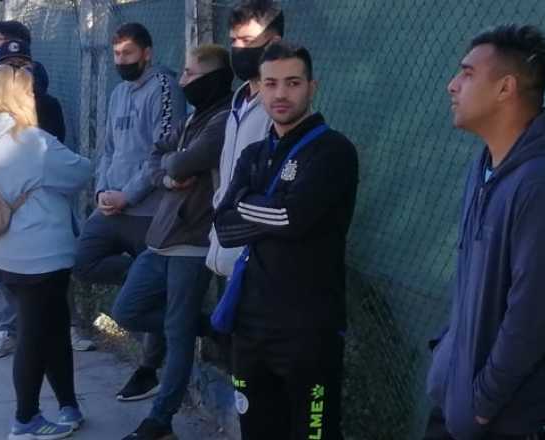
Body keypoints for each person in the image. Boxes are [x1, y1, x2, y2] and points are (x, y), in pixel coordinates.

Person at [424, 25, 545, 440]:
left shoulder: (544, 184)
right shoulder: (484, 167)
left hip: (515, 417)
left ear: (505, 88)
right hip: (461, 405)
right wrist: (449, 357)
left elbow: (531, 318)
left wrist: (481, 404)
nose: (452, 85)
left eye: (466, 73)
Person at [213, 42, 358, 440]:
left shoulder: (333, 152)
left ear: (312, 87)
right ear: (258, 87)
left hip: (308, 330)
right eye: (271, 83)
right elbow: (223, 225)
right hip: (251, 325)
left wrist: (247, 203)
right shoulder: (255, 153)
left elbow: (292, 218)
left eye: (293, 83)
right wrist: (271, 209)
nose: (281, 94)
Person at [111, 44, 234, 440]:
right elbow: (159, 158)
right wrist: (167, 175)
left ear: (212, 78)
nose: (182, 81)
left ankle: (159, 422)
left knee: (178, 336)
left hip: (193, 242)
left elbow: (181, 161)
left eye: (189, 74)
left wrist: (171, 164)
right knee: (126, 310)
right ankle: (210, 325)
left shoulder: (222, 119)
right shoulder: (194, 116)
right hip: (160, 238)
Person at [0, 64, 92, 440]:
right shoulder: (32, 142)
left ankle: (68, 405)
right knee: (38, 337)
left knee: (48, 330)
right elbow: (81, 172)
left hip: (2, 254)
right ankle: (26, 419)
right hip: (40, 256)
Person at [72, 22, 186, 402]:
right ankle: (144, 285)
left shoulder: (165, 88)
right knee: (82, 261)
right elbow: (108, 149)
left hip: (148, 211)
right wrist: (103, 190)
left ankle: (149, 368)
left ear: (147, 52)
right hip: (111, 206)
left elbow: (163, 153)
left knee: (147, 298)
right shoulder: (119, 91)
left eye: (129, 54)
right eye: (117, 54)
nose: (121, 61)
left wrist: (128, 195)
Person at [0, 36, 75, 361]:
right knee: (12, 287)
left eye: (23, 65)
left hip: (44, 203)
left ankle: (67, 327)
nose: (17, 72)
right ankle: (7, 331)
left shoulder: (46, 105)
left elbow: (64, 155)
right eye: (10, 66)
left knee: (49, 296)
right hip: (9, 214)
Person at [207, 0, 280, 278]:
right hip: (224, 251)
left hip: (256, 262)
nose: (238, 49)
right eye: (233, 41)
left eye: (248, 40)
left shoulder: (280, 110)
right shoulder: (238, 102)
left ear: (274, 42)